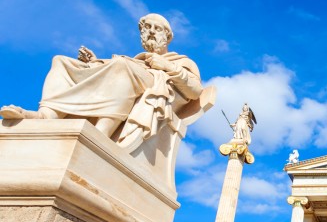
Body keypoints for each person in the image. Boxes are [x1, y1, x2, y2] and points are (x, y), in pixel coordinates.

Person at [1, 13, 203, 144]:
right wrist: (95, 63)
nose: (150, 32)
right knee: (61, 61)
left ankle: (100, 133)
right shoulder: (135, 60)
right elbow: (113, 72)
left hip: (155, 86)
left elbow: (195, 91)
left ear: (167, 36)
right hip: (129, 72)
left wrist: (168, 67)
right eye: (147, 27)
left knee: (122, 66)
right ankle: (46, 115)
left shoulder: (180, 61)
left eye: (156, 29)